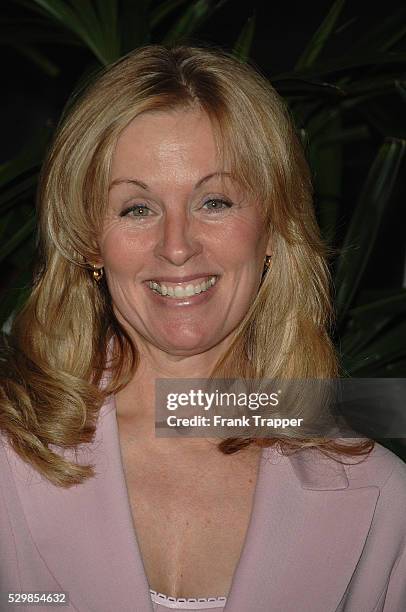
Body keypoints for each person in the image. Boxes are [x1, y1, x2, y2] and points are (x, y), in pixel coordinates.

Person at [0, 45, 405, 612]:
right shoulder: (12, 452)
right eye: (136, 209)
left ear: (272, 231)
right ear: (90, 242)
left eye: (214, 201)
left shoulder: (383, 497)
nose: (177, 246)